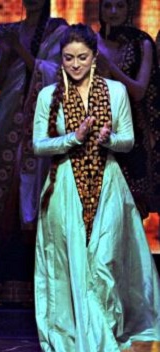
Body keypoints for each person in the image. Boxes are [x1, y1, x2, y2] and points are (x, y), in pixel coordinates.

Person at [33, 24, 160, 352]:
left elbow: (128, 140)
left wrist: (108, 138)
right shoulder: (49, 96)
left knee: (102, 269)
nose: (75, 64)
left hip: (107, 187)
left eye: (82, 57)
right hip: (65, 189)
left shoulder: (115, 91)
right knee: (71, 273)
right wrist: (72, 138)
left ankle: (107, 350)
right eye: (68, 58)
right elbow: (38, 145)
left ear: (94, 57)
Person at [0, 0, 67, 306]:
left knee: (31, 193)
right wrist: (8, 49)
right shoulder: (9, 29)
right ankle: (0, 278)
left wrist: (20, 48)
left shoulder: (59, 31)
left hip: (40, 119)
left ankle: (35, 279)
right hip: (9, 114)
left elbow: (57, 76)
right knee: (4, 193)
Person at [97, 0, 160, 216]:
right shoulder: (91, 42)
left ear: (129, 9)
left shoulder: (141, 43)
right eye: (107, 6)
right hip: (95, 132)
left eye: (120, 6)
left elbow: (139, 90)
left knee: (130, 210)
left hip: (131, 132)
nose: (113, 12)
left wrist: (110, 67)